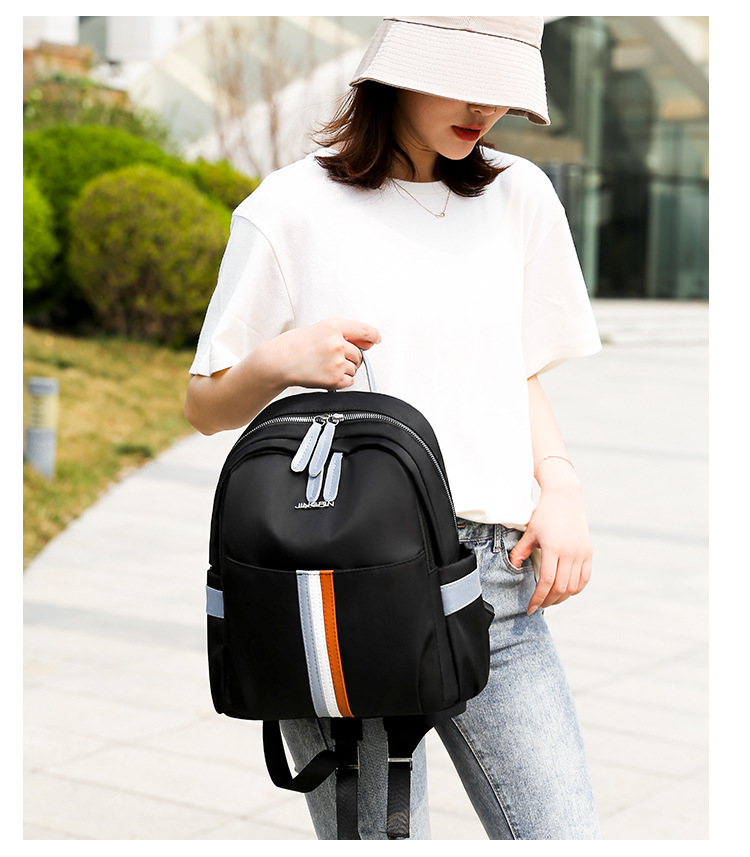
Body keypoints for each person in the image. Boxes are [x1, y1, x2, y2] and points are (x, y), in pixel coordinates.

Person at [185, 16, 602, 840]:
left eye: (503, 92)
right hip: (341, 579)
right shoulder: (290, 208)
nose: (486, 110)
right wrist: (279, 362)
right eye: (466, 81)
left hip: (496, 582)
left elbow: (513, 370)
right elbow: (204, 404)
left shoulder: (518, 195)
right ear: (401, 69)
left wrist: (560, 485)